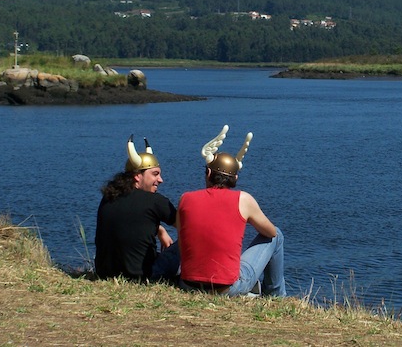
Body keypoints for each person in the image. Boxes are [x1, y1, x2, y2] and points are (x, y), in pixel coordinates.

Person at [177, 125, 286, 296]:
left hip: (187, 284)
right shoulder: (244, 199)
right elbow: (270, 232)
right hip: (226, 288)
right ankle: (275, 296)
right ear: (235, 178)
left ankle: (257, 293)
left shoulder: (185, 198)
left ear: (208, 174)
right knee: (277, 235)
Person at [94, 134, 179, 282]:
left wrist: (160, 230)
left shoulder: (108, 197)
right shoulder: (155, 201)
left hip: (104, 274)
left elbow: (131, 218)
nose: (160, 180)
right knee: (188, 238)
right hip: (144, 276)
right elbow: (190, 227)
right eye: (155, 174)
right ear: (137, 176)